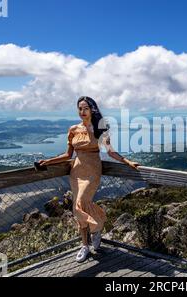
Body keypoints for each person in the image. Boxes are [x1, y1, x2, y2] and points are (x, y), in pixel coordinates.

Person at [37, 96, 140, 262]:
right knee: (78, 207)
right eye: (79, 108)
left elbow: (110, 151)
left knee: (81, 203)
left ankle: (96, 227)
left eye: (85, 108)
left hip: (93, 169)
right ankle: (85, 245)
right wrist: (48, 161)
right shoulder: (73, 129)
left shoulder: (100, 129)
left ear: (92, 109)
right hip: (76, 170)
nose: (82, 112)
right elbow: (68, 155)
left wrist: (127, 161)